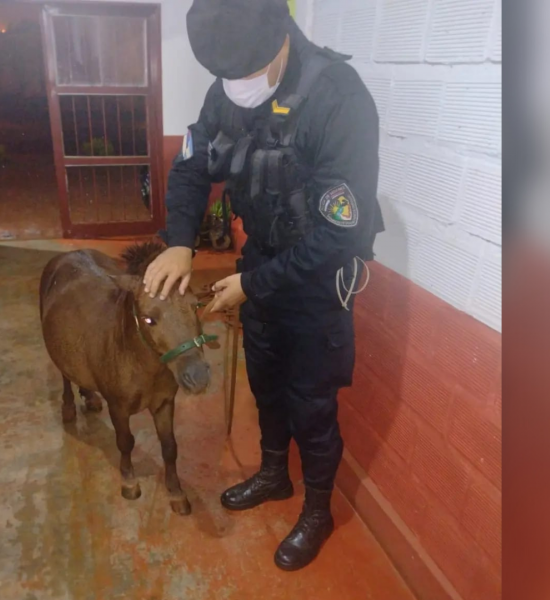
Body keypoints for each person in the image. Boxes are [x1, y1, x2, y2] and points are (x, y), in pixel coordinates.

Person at [144, 0, 383, 571]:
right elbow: (192, 163)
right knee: (266, 382)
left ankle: (319, 510)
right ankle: (275, 475)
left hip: (319, 279)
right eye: (227, 79)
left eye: (247, 75)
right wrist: (181, 238)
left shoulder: (338, 97)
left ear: (282, 39)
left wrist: (252, 284)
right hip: (261, 264)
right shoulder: (227, 88)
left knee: (311, 402)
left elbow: (336, 237)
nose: (238, 89)